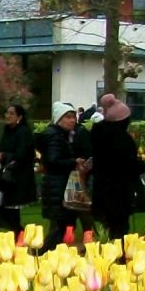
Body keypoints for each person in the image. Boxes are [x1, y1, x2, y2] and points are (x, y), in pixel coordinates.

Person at [88, 93, 145, 240]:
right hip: (120, 190)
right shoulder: (122, 139)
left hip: (101, 189)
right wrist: (141, 166)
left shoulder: (97, 134)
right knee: (120, 228)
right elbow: (128, 164)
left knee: (104, 228)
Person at [39, 101, 86, 248]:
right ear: (59, 119)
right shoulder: (56, 137)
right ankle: (44, 253)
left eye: (74, 117)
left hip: (58, 184)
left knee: (62, 223)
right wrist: (73, 162)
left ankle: (48, 253)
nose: (72, 120)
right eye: (68, 117)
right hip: (58, 185)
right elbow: (53, 161)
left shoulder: (60, 135)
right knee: (61, 224)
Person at [0, 104, 34, 233]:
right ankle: (17, 233)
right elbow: (2, 147)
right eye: (7, 113)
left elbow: (22, 154)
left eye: (11, 113)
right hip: (6, 175)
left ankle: (18, 234)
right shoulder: (7, 130)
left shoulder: (23, 132)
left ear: (19, 117)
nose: (7, 116)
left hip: (18, 175)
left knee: (12, 207)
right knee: (1, 206)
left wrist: (5, 155)